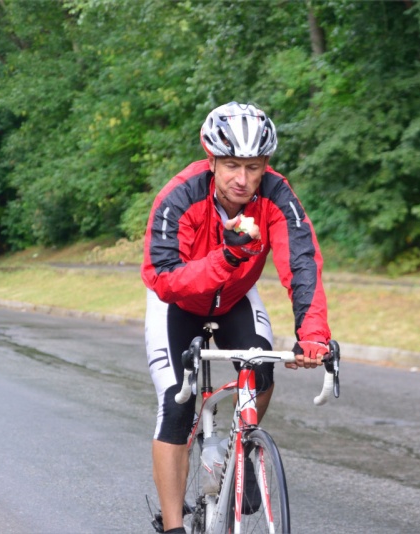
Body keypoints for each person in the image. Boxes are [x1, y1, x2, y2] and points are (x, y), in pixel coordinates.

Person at [141, 102, 331, 534]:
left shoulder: (277, 196)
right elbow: (164, 278)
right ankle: (173, 527)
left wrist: (313, 335)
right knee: (177, 405)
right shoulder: (180, 196)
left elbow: (301, 262)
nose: (242, 179)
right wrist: (226, 257)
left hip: (234, 298)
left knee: (261, 369)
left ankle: (242, 449)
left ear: (265, 165)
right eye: (231, 165)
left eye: (253, 166)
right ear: (211, 161)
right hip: (176, 304)